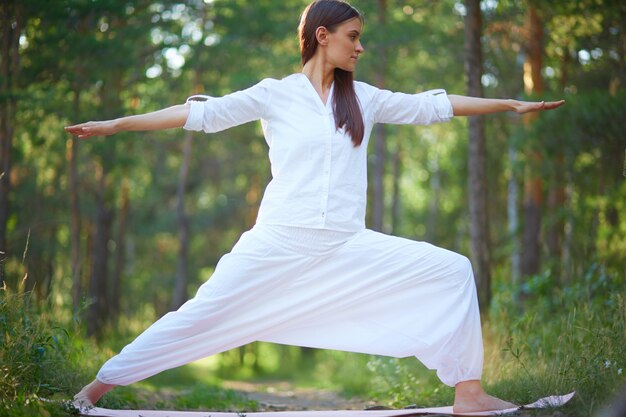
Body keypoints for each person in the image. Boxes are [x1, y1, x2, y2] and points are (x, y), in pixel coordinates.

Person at [65, 0, 564, 413]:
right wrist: (115, 124)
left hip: (347, 245)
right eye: (353, 36)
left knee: (453, 271)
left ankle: (469, 395)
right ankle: (95, 389)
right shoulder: (274, 95)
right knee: (197, 317)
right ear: (322, 36)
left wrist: (509, 105)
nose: (360, 46)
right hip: (278, 240)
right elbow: (198, 114)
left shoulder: (364, 99)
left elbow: (434, 105)